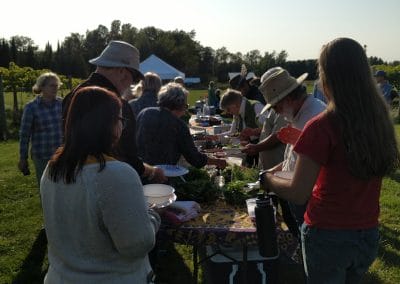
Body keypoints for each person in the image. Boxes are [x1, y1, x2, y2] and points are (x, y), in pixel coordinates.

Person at [261, 37, 400, 283]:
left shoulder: (322, 126)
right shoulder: (379, 121)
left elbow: (298, 192)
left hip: (328, 233)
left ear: (327, 78)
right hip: (367, 231)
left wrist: (268, 180)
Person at [41, 86, 160, 283]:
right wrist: (154, 215)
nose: (122, 127)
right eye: (121, 120)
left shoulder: (52, 168)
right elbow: (137, 245)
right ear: (109, 125)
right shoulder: (117, 174)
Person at [62, 40, 166, 183]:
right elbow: (128, 159)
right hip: (108, 182)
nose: (131, 84)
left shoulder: (72, 95)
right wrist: (153, 172)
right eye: (134, 78)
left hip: (72, 178)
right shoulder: (117, 105)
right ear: (122, 71)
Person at [257, 68, 326, 235]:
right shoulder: (300, 114)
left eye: (276, 107)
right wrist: (274, 171)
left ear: (288, 99)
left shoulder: (313, 119)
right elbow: (295, 158)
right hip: (301, 194)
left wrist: (268, 178)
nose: (276, 112)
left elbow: (311, 171)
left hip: (310, 199)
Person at [136, 82, 226, 169]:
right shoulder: (178, 125)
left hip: (141, 169)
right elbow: (194, 158)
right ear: (180, 104)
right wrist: (217, 161)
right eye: (186, 105)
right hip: (163, 174)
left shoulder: (145, 113)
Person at [18, 72, 63, 185]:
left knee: (63, 187)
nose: (55, 88)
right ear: (41, 87)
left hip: (62, 154)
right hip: (42, 155)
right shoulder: (31, 107)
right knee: (46, 188)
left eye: (56, 85)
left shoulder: (62, 104)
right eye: (51, 85)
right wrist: (23, 158)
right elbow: (24, 135)